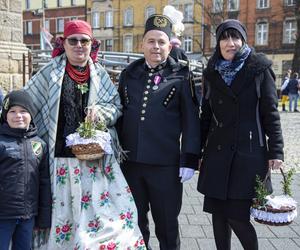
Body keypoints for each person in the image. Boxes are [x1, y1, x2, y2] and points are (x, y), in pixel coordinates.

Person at [24, 20, 145, 249]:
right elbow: (27, 101)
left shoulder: (99, 74)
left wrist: (101, 113)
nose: (79, 45)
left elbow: (116, 106)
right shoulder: (50, 72)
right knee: (63, 214)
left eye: (84, 41)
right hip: (59, 160)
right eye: (73, 40)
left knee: (103, 215)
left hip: (92, 160)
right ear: (65, 43)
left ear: (91, 44)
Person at [197, 19, 284, 250]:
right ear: (218, 43)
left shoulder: (259, 68)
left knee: (238, 216)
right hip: (217, 154)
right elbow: (205, 116)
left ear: (243, 40)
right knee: (218, 215)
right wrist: (196, 152)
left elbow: (270, 113)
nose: (230, 43)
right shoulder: (212, 71)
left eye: (235, 37)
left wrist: (276, 150)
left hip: (248, 154)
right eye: (225, 38)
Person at [117, 14, 200, 250]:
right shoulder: (129, 74)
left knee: (166, 225)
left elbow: (191, 122)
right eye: (151, 41)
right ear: (142, 44)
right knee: (135, 223)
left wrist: (189, 158)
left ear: (169, 45)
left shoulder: (182, 76)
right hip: (131, 165)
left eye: (161, 42)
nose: (156, 46)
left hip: (166, 167)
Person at [0, 90, 51, 250]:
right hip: (3, 215)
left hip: (28, 216)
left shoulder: (39, 145)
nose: (18, 116)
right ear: (5, 115)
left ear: (31, 114)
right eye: (12, 112)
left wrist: (44, 217)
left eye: (23, 111)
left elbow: (44, 183)